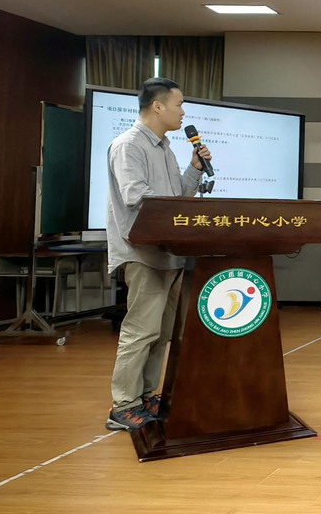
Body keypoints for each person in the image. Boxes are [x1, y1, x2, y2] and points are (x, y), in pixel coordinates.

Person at [104, 77, 212, 431]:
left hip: (169, 254)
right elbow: (136, 196)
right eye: (179, 105)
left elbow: (178, 197)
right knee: (141, 330)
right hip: (144, 253)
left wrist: (195, 169)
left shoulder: (165, 148)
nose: (183, 113)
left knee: (161, 332)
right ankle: (123, 405)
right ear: (158, 106)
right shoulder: (129, 145)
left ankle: (147, 396)